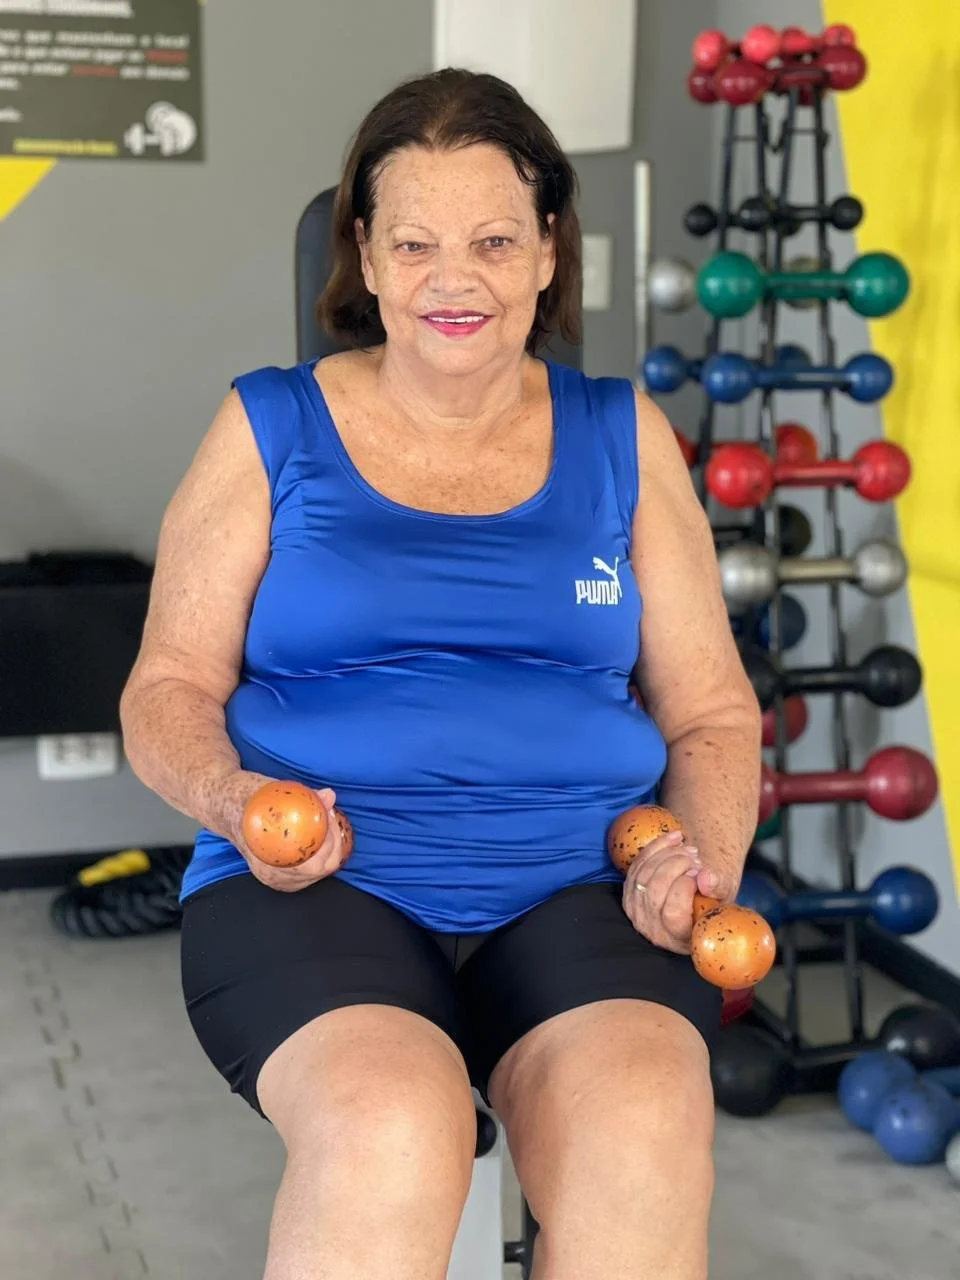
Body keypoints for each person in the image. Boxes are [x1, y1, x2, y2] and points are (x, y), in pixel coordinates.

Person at [120, 67, 760, 1280]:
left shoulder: (624, 436)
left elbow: (715, 711)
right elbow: (166, 690)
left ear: (548, 252)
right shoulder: (267, 425)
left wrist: (697, 866)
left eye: (494, 241)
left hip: (582, 878)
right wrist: (232, 802)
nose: (453, 278)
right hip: (317, 882)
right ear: (364, 255)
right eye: (414, 242)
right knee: (389, 1128)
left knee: (644, 1127)